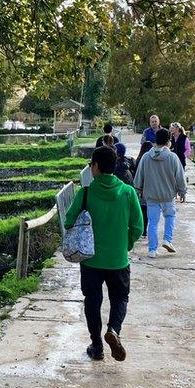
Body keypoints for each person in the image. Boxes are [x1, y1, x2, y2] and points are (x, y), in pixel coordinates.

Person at [63, 146, 143, 362]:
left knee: (92, 300)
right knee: (120, 298)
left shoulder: (86, 193)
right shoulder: (127, 192)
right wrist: (125, 244)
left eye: (91, 164)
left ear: (96, 167)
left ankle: (97, 346)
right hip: (118, 260)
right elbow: (138, 226)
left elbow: (68, 221)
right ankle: (114, 330)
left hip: (90, 260)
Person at [134, 129, 186, 258]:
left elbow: (139, 176)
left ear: (155, 140)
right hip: (168, 195)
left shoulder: (146, 157)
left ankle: (152, 250)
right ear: (169, 141)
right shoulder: (172, 157)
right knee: (169, 217)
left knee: (153, 222)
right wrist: (182, 191)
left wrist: (138, 190)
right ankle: (167, 240)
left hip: (151, 196)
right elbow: (180, 176)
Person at [133, 141, 154, 235]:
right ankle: (148, 230)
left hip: (141, 189)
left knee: (143, 211)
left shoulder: (138, 160)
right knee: (150, 211)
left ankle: (143, 230)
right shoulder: (151, 160)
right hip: (150, 189)